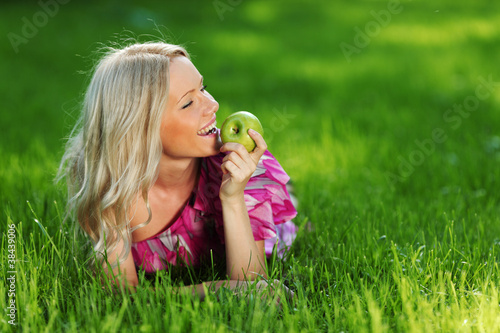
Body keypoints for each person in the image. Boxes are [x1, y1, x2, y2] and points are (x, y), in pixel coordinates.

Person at [58, 41, 298, 299]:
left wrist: (232, 197)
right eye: (188, 103)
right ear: (141, 130)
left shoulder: (237, 168)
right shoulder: (111, 187)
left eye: (203, 88)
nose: (213, 105)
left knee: (286, 218)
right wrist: (213, 291)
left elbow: (254, 287)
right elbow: (119, 296)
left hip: (258, 218)